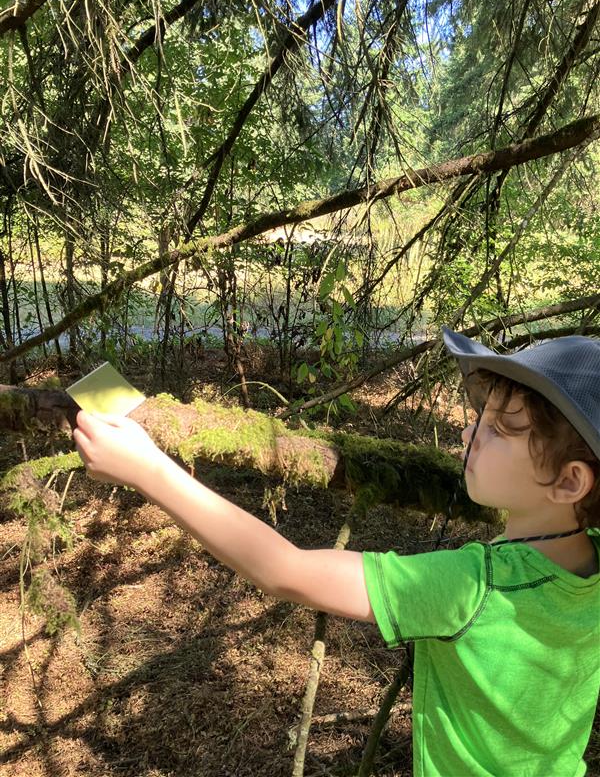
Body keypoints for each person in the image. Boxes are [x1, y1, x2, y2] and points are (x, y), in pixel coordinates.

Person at [72, 327, 600, 776]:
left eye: (499, 429)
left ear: (569, 481)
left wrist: (148, 470)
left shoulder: (473, 587)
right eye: (479, 415)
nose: (468, 431)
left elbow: (285, 570)